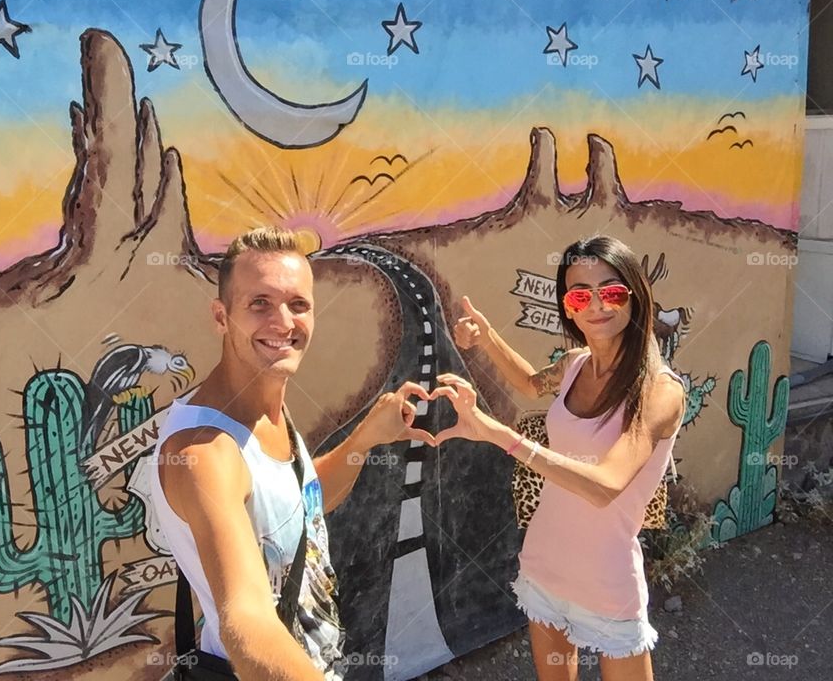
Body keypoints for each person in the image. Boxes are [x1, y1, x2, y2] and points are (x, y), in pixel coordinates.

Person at [148, 227, 432, 680]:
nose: (283, 323)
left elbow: (297, 504)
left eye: (298, 305)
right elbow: (246, 621)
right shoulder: (205, 452)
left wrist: (363, 441)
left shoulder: (264, 405)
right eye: (259, 303)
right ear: (221, 317)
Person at [436, 235, 687, 681]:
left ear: (635, 295)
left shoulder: (660, 392)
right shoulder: (574, 365)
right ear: (568, 307)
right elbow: (531, 383)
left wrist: (502, 437)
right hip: (544, 564)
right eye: (579, 294)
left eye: (611, 291)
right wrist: (486, 336)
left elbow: (605, 484)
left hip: (608, 583)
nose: (597, 305)